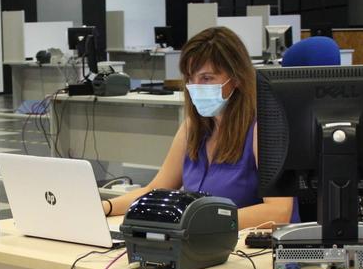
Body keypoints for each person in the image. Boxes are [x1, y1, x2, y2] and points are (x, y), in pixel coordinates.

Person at [101, 26, 296, 229]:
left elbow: (279, 211)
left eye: (207, 78)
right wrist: (104, 207)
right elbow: (154, 189)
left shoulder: (263, 128)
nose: (196, 86)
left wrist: (201, 223)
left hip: (255, 249)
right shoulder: (193, 128)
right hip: (205, 243)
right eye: (190, 78)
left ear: (236, 78)